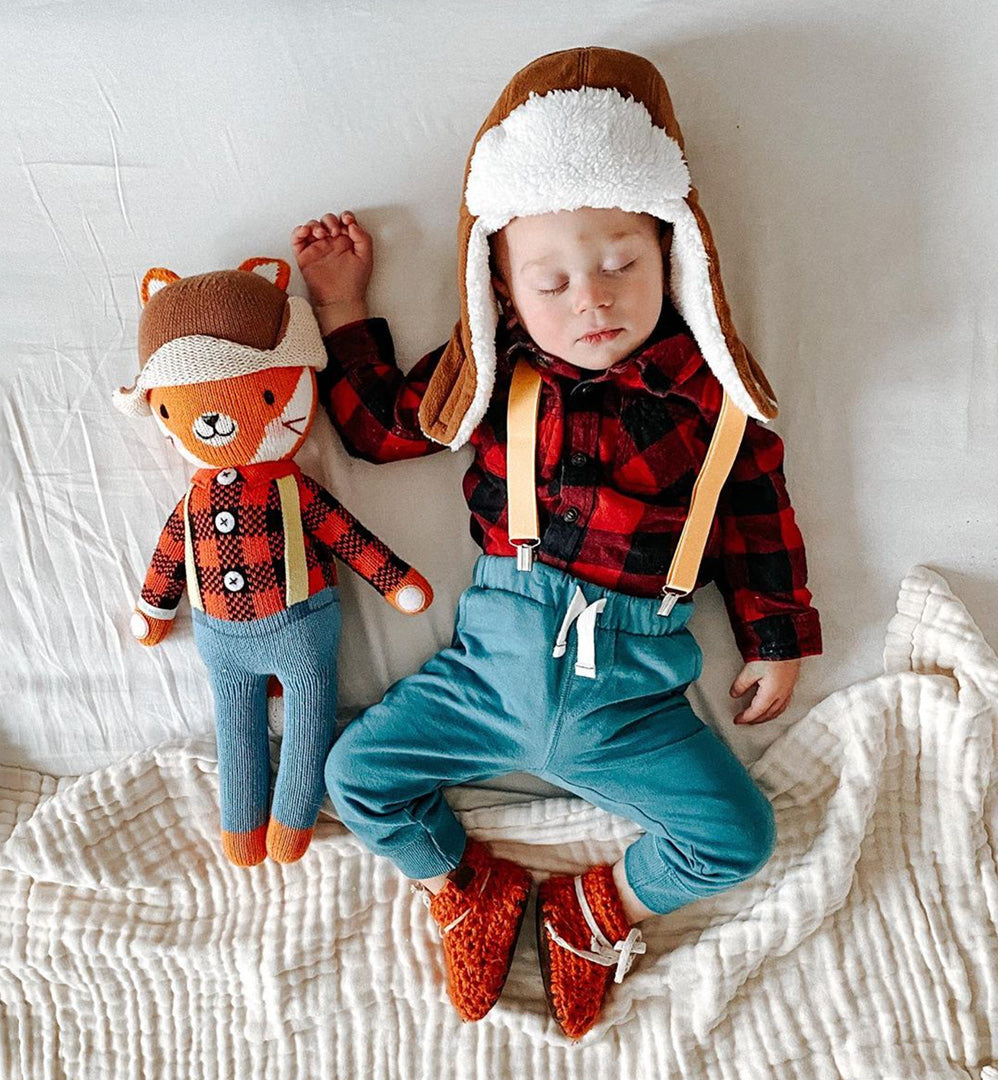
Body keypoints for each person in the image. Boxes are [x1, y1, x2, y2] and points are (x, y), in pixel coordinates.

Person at [292, 47, 822, 1040]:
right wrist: (343, 309)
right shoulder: (500, 380)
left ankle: (597, 909)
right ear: (500, 284)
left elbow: (760, 522)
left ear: (674, 255)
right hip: (488, 678)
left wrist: (778, 638)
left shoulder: (716, 406)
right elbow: (375, 428)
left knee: (740, 837)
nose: (592, 298)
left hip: (636, 700)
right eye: (551, 281)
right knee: (354, 777)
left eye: (623, 264)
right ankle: (467, 889)